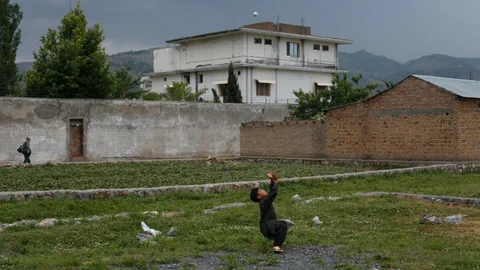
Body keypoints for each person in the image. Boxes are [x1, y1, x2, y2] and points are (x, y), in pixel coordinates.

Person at [250, 171, 288, 253]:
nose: (263, 189)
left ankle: (278, 241)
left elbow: (271, 192)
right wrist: (276, 182)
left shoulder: (264, 200)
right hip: (267, 226)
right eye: (260, 190)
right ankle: (276, 246)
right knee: (282, 226)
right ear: (259, 196)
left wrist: (272, 181)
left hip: (268, 225)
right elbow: (273, 193)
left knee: (284, 223)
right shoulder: (264, 202)